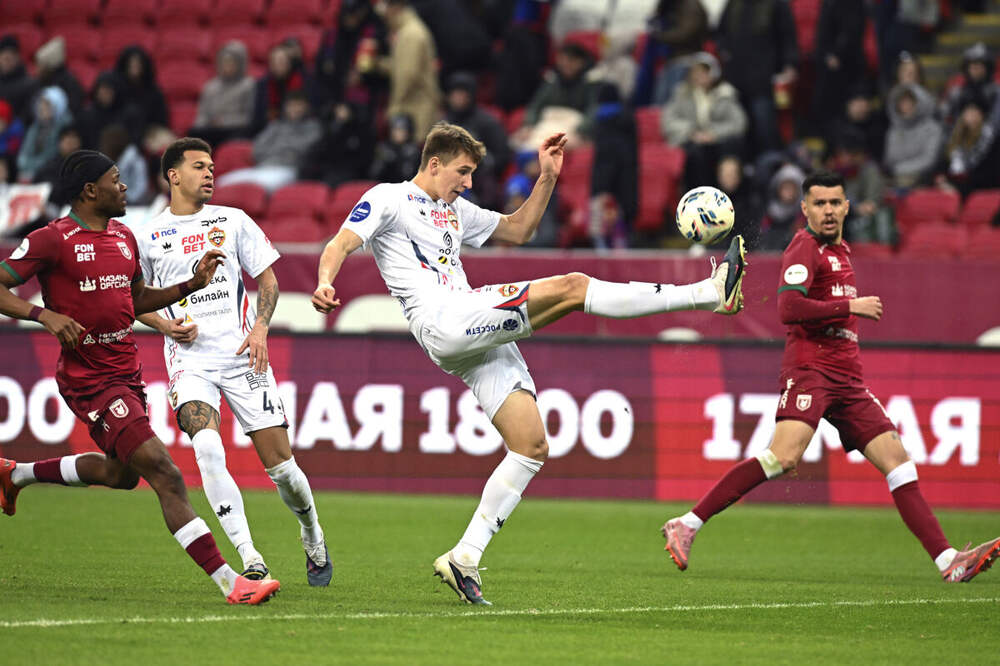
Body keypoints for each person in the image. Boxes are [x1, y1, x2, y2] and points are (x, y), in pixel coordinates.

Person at [311, 122, 748, 604]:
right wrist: (326, 281)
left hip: (468, 329)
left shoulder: (453, 210)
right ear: (434, 164)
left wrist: (547, 178)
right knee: (573, 286)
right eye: (462, 172)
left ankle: (464, 557)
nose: (468, 183)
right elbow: (340, 242)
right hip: (445, 318)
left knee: (531, 446)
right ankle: (708, 293)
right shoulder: (388, 198)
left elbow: (518, 230)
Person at [661, 169, 1000, 583]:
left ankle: (949, 561)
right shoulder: (804, 247)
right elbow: (789, 308)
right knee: (783, 457)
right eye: (819, 203)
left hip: (848, 381)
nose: (827, 210)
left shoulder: (841, 250)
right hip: (811, 371)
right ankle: (687, 523)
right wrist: (850, 307)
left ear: (846, 206)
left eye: (834, 202)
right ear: (804, 208)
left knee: (899, 464)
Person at [0, 150, 279, 605]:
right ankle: (233, 582)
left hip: (126, 372)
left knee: (121, 474)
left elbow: (135, 299)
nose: (125, 185)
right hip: (90, 379)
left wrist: (189, 286)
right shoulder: (53, 239)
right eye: (116, 179)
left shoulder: (124, 237)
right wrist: (42, 314)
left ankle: (16, 475)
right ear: (90, 190)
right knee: (165, 472)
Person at [134, 137, 333, 587]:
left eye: (211, 166)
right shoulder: (146, 235)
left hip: (244, 356)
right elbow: (134, 299)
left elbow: (269, 281)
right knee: (206, 449)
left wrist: (260, 328)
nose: (209, 173)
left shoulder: (233, 220)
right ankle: (251, 557)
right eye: (199, 166)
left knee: (283, 470)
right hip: (190, 361)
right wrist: (164, 326)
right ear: (173, 176)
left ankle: (312, 532)